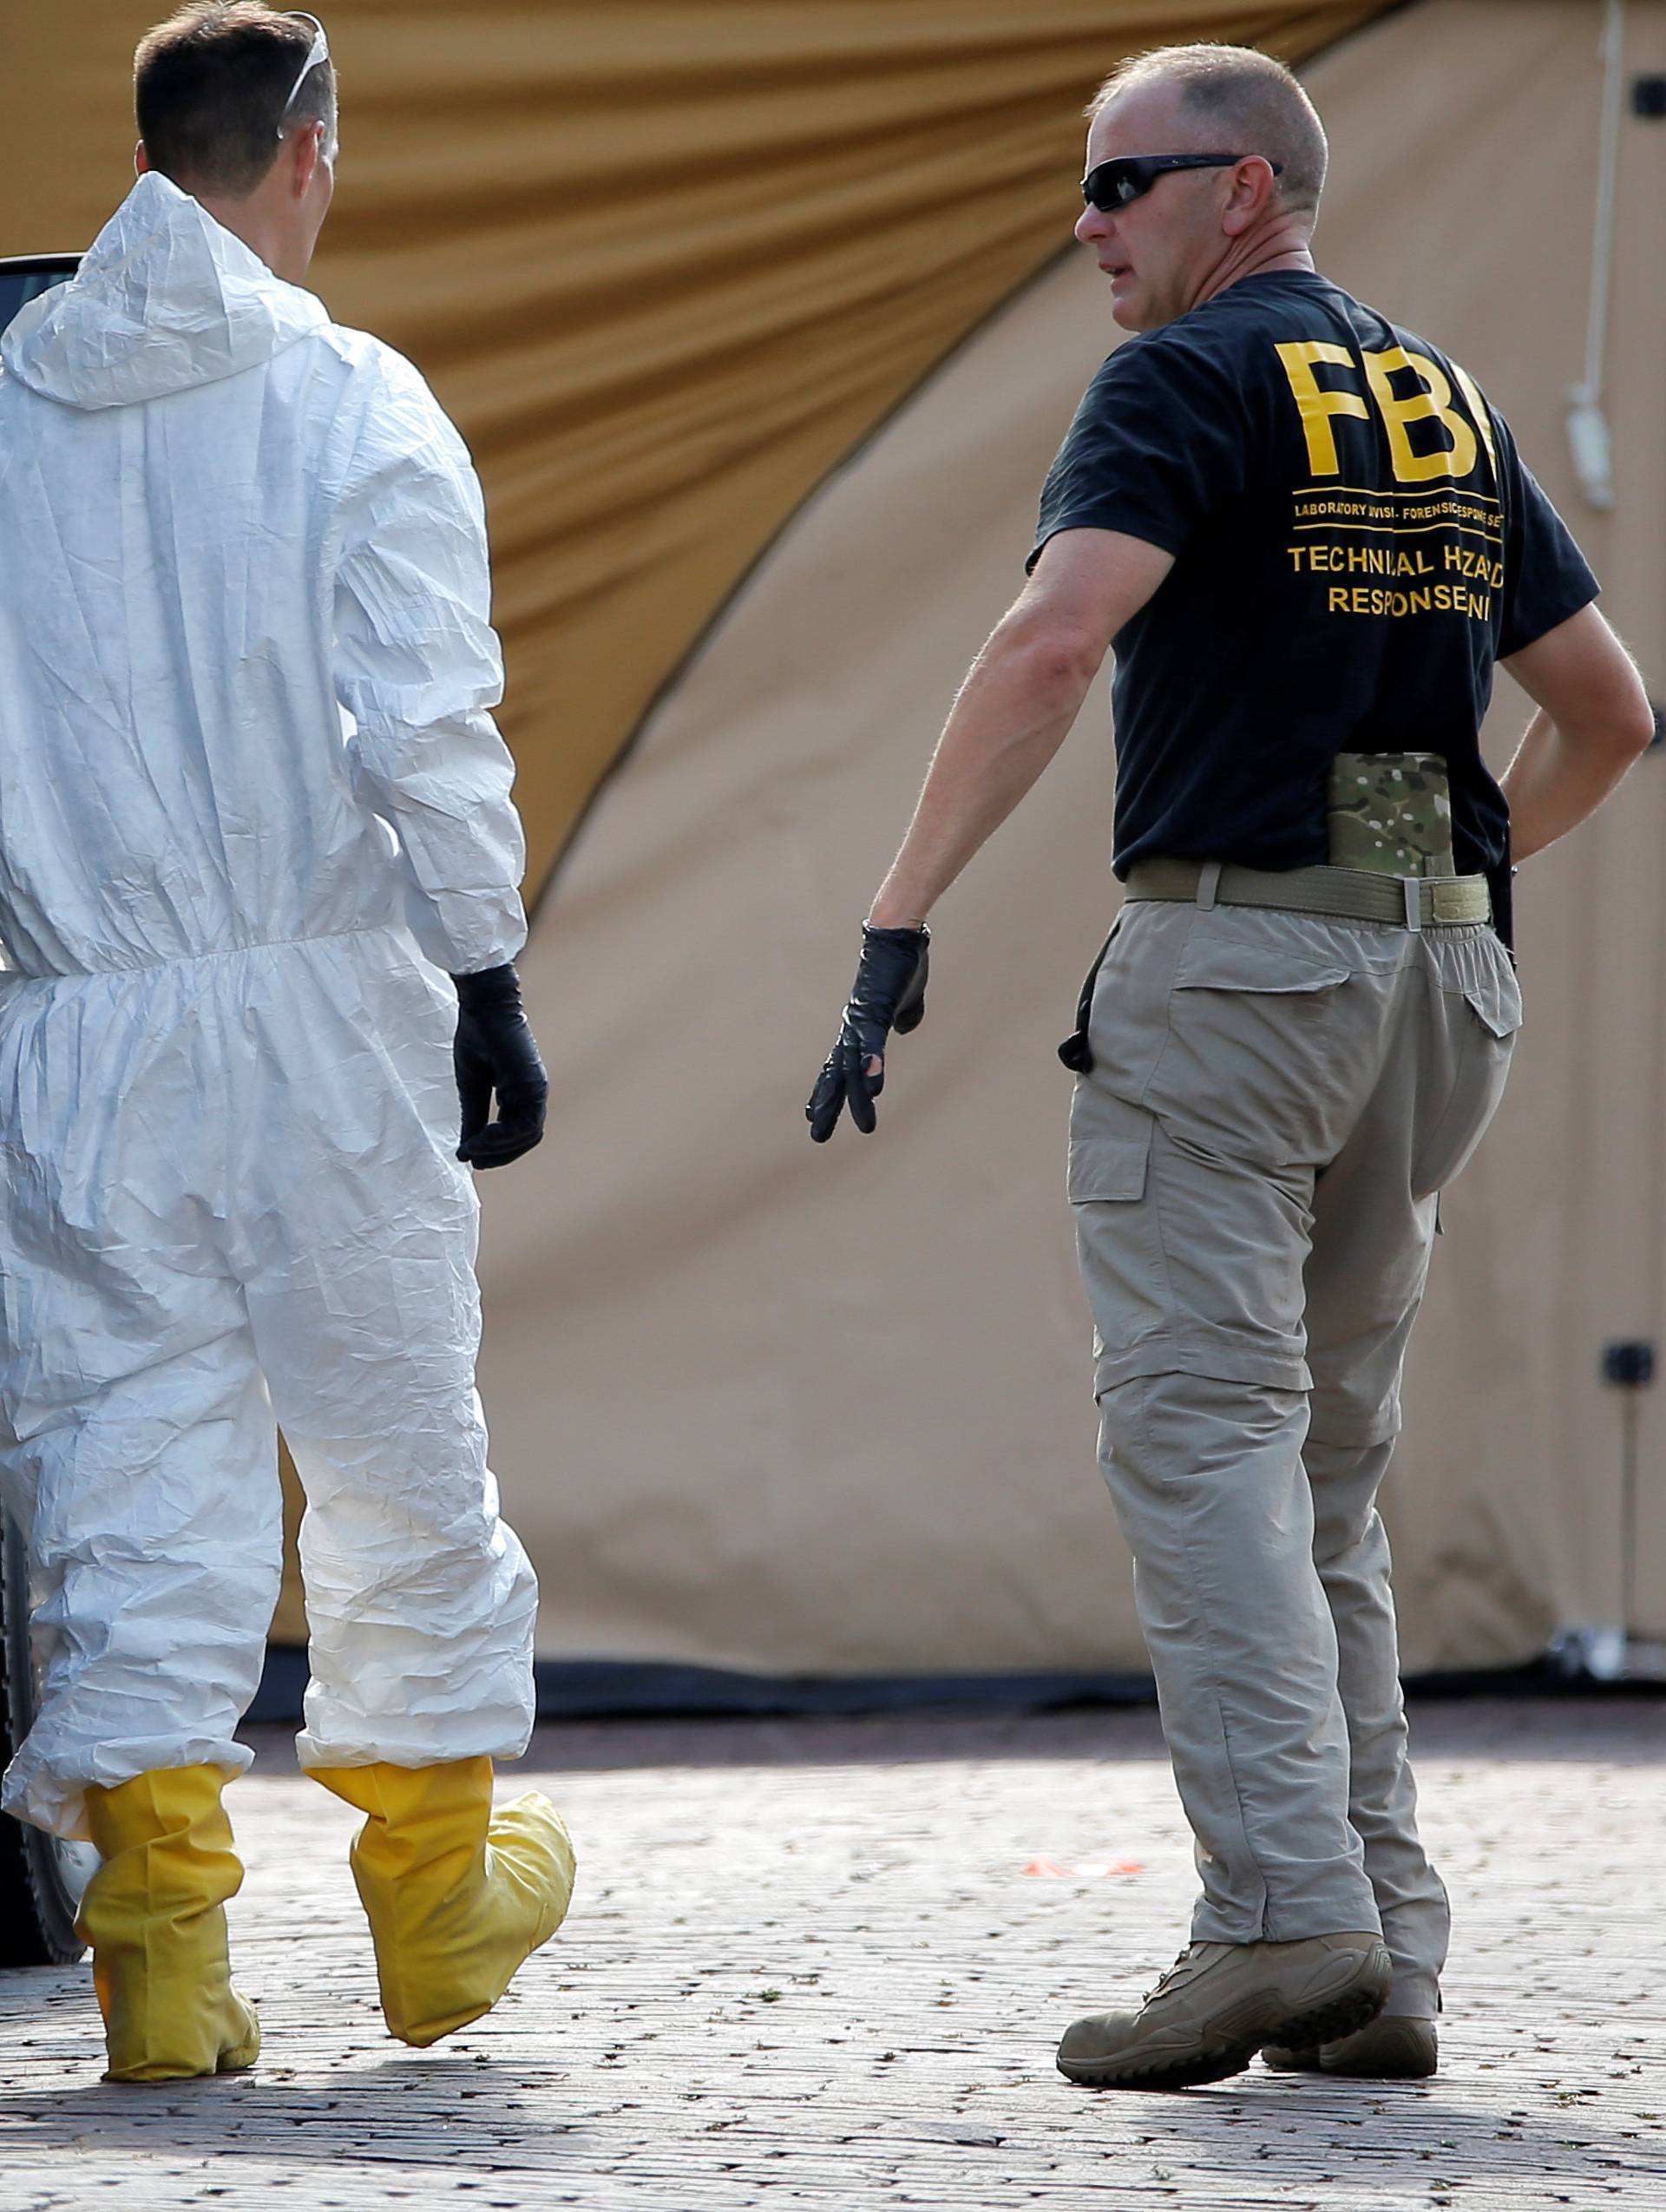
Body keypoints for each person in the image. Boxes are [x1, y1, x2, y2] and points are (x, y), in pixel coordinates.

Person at [807, 43, 1653, 2091]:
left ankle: (1278, 1922)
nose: (1083, 227)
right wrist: (1432, 890)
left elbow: (1051, 638)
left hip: (1238, 974)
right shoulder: (1440, 398)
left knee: (1202, 1452)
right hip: (1435, 983)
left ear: (1246, 191)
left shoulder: (1180, 384)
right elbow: (1609, 712)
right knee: (1322, 1478)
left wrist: (897, 914)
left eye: (1118, 188)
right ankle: (1383, 1952)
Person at [0, 3, 574, 2081]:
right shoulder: (354, 396)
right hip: (328, 1003)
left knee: (119, 1450)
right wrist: (489, 974)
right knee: (393, 1428)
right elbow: (425, 727)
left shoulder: (5, 401)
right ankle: (437, 1904)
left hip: (70, 1023)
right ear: (311, 148)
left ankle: (162, 1946)